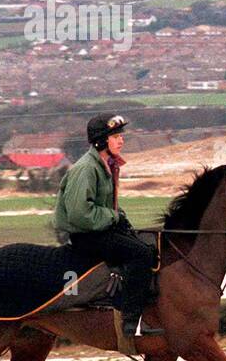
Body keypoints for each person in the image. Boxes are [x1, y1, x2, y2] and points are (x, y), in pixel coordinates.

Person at [52, 113, 161, 335]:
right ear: (102, 141)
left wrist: (120, 217)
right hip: (87, 237)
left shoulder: (104, 165)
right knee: (140, 254)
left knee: (148, 246)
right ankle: (131, 322)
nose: (121, 140)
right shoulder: (86, 169)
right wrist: (113, 217)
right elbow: (79, 214)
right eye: (116, 136)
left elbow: (107, 206)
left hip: (100, 230)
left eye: (121, 136)